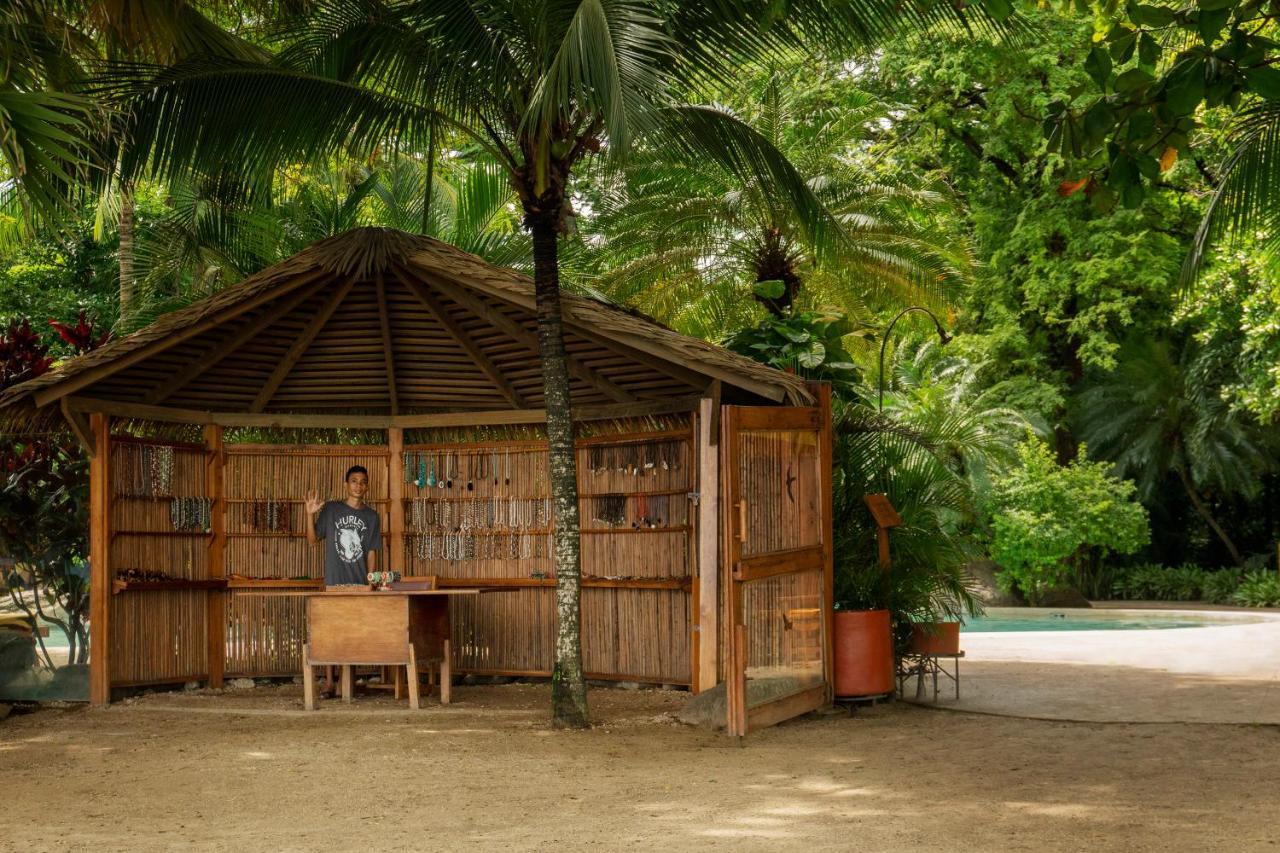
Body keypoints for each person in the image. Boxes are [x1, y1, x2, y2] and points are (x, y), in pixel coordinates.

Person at [305, 465, 382, 586]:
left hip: (360, 583)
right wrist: (309, 515)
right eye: (354, 481)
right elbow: (312, 541)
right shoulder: (331, 509)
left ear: (367, 487)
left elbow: (371, 552)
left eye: (363, 482)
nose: (358, 486)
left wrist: (370, 582)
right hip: (334, 584)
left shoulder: (372, 517)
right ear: (345, 485)